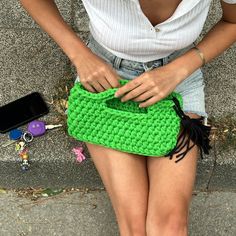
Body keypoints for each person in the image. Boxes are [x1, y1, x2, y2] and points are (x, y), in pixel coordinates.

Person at [20, 1, 236, 235]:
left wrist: (180, 69)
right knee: (134, 225)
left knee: (170, 226)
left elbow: (232, 20)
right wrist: (79, 54)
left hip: (178, 79)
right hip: (107, 78)